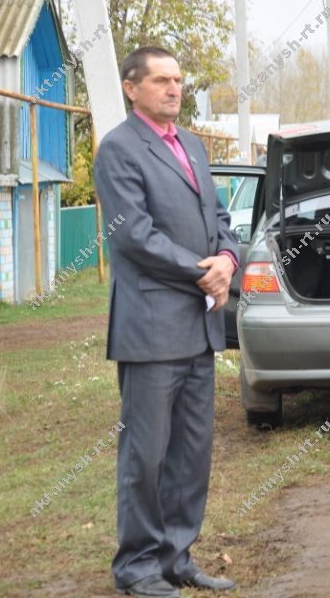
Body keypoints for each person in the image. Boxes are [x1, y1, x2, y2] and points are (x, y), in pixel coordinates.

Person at [94, 46, 238, 597]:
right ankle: (137, 567)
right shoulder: (119, 150)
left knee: (191, 455)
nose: (173, 89)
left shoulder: (194, 147)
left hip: (199, 331)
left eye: (177, 79)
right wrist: (202, 272)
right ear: (132, 88)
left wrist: (227, 259)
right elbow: (133, 235)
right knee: (146, 457)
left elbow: (220, 219)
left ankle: (178, 557)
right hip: (151, 330)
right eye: (160, 80)